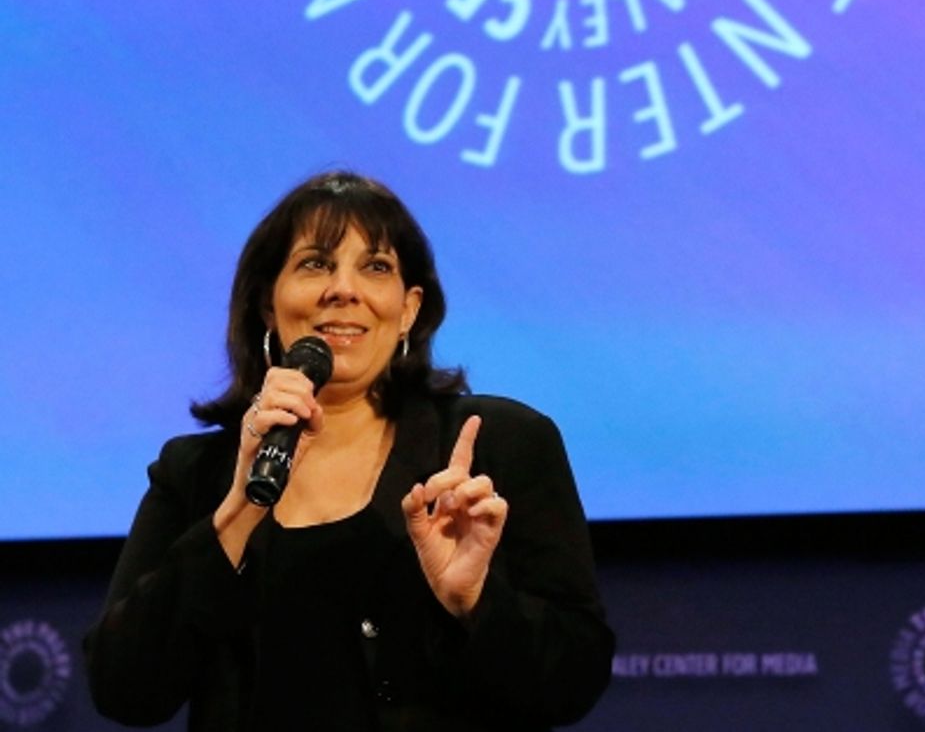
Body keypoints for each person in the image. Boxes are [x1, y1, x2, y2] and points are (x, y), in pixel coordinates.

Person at [85, 170, 614, 730]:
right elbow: (124, 690)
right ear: (269, 303)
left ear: (409, 309)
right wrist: (238, 511)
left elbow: (573, 682)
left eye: (375, 267)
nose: (343, 288)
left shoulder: (497, 445)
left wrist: (477, 600)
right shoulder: (195, 474)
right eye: (315, 263)